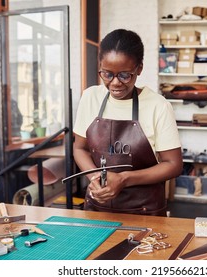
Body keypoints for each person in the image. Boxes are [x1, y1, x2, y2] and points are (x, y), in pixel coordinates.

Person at [73, 29, 183, 216]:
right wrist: (96, 178)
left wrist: (124, 179)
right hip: (97, 207)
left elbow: (173, 164)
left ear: (139, 69)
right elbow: (79, 149)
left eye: (124, 75)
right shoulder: (90, 97)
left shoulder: (158, 105)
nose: (115, 83)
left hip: (144, 210)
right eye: (107, 74)